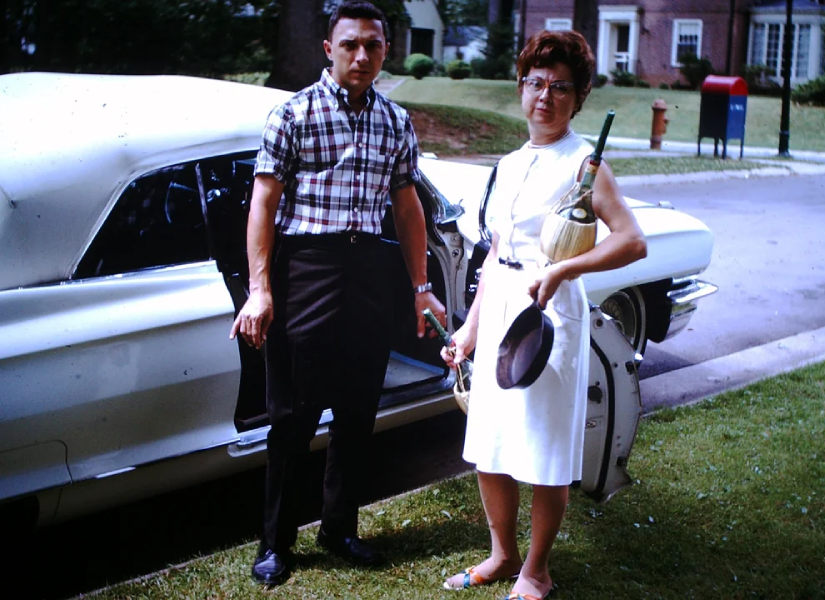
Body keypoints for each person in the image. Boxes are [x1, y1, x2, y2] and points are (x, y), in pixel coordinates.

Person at [230, 0, 446, 586]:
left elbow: (407, 209)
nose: (361, 55)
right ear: (329, 49)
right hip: (306, 271)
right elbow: (264, 205)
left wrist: (421, 287)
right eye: (350, 44)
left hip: (369, 274)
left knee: (356, 414)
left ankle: (339, 528)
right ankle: (276, 544)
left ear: (385, 51)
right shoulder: (293, 115)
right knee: (292, 418)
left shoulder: (396, 122)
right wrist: (260, 289)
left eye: (373, 45)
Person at [440, 30, 647, 600]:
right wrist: (469, 328)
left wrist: (563, 272)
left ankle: (536, 571)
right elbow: (494, 254)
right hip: (504, 303)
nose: (545, 96)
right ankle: (502, 555)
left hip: (550, 316)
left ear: (578, 96)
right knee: (491, 440)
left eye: (560, 86)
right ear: (520, 89)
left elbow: (632, 241)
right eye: (535, 83)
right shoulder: (508, 163)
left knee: (545, 447)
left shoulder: (586, 164)